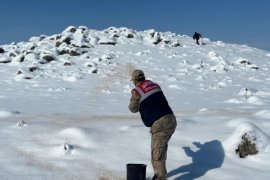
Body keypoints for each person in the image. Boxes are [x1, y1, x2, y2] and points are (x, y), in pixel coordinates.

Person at [128, 69, 177, 180]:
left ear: (134, 81)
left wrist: (134, 96)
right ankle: (159, 174)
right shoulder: (155, 85)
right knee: (160, 149)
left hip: (160, 123)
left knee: (157, 153)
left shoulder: (137, 91)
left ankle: (160, 177)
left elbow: (132, 109)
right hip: (171, 119)